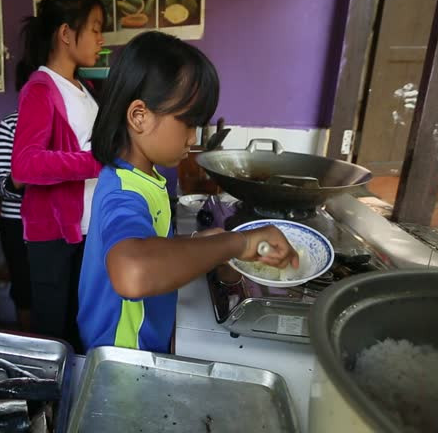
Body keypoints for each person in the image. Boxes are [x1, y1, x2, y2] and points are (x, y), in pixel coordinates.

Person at [77, 32, 298, 353]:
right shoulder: (123, 193)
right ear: (139, 116)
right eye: (188, 124)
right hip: (124, 353)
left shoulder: (143, 177)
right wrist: (238, 243)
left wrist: (197, 244)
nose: (193, 139)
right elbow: (132, 272)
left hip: (142, 345)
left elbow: (147, 244)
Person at [11, 0, 105, 348]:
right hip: (53, 234)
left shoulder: (82, 89)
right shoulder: (41, 89)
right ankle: (49, 402)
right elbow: (25, 165)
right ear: (66, 33)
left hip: (84, 228)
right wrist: (96, 161)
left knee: (82, 321)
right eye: (95, 29)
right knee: (55, 333)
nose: (100, 39)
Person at [0, 111, 31, 331]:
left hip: (60, 222)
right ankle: (28, 344)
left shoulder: (71, 118)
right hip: (17, 221)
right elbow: (2, 185)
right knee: (23, 289)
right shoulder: (11, 124)